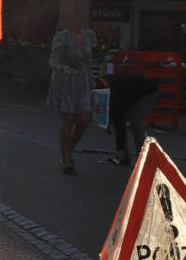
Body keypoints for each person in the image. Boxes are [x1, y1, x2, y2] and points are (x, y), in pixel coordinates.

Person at [47, 23, 96, 175]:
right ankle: (67, 159)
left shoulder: (89, 35)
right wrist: (62, 68)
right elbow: (53, 60)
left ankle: (69, 150)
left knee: (83, 121)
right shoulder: (62, 36)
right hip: (65, 81)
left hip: (82, 82)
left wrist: (92, 77)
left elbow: (89, 61)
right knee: (68, 123)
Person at [97, 72, 159, 165]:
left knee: (135, 124)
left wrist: (119, 147)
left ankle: (145, 160)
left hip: (148, 92)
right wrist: (108, 124)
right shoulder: (100, 85)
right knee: (118, 120)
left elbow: (118, 120)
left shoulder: (112, 93)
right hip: (129, 94)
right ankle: (124, 157)